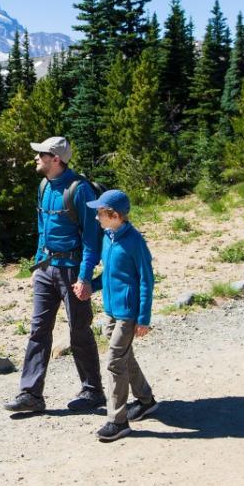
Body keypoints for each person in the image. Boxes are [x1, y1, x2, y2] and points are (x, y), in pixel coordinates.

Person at [4, 136, 105, 413]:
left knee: (79, 330)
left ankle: (93, 391)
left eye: (41, 154)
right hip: (45, 269)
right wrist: (38, 262)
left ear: (56, 159)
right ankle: (31, 394)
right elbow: (41, 225)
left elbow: (91, 239)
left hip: (72, 270)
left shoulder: (79, 190)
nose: (36, 158)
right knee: (38, 330)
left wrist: (84, 278)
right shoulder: (43, 185)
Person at [84, 188, 158, 442]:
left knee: (115, 361)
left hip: (128, 313)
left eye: (100, 213)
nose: (97, 218)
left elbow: (147, 281)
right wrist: (89, 287)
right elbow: (107, 274)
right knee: (123, 357)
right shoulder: (109, 237)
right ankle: (146, 400)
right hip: (111, 310)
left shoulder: (135, 241)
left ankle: (117, 421)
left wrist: (143, 318)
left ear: (114, 215)